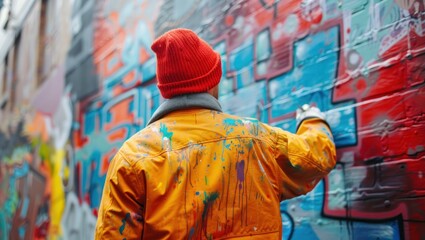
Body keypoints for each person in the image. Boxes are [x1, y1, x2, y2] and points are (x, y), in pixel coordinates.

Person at [94, 28, 336, 239]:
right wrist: (312, 119)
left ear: (166, 90)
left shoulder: (132, 158)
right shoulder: (255, 139)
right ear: (211, 82)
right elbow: (316, 157)